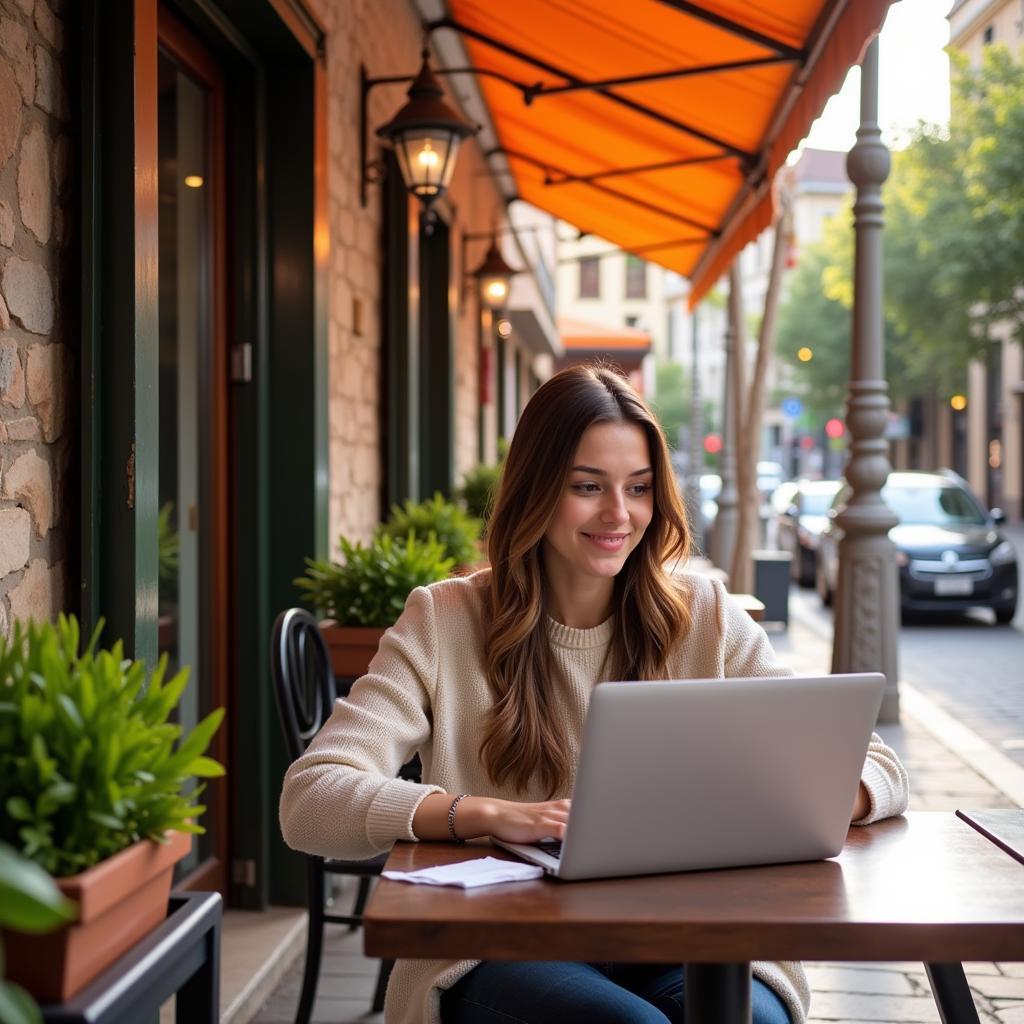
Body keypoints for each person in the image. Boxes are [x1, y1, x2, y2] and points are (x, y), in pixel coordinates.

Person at [280, 363, 909, 1024]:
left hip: (691, 935)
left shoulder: (706, 614)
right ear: (537, 489)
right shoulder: (444, 620)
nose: (619, 514)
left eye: (638, 488)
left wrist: (810, 802)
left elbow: (879, 768)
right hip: (501, 947)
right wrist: (484, 813)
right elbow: (311, 799)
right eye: (587, 487)